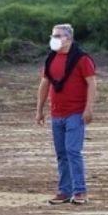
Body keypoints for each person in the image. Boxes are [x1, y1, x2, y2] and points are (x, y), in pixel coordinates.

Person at [36, 24, 96, 205]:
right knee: (61, 153)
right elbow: (45, 84)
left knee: (72, 150)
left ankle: (80, 191)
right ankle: (64, 190)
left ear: (68, 38)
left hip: (75, 113)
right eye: (53, 35)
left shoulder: (82, 59)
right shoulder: (51, 59)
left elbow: (92, 84)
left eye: (58, 35)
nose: (54, 38)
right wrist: (39, 109)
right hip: (57, 113)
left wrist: (88, 108)